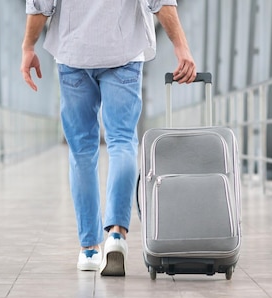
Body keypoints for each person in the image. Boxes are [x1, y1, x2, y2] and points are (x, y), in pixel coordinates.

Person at [21, 0, 196, 276]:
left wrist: (28, 47)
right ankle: (116, 234)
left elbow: (42, 5)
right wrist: (181, 46)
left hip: (73, 54)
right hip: (123, 53)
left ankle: (89, 249)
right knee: (123, 142)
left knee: (81, 151)